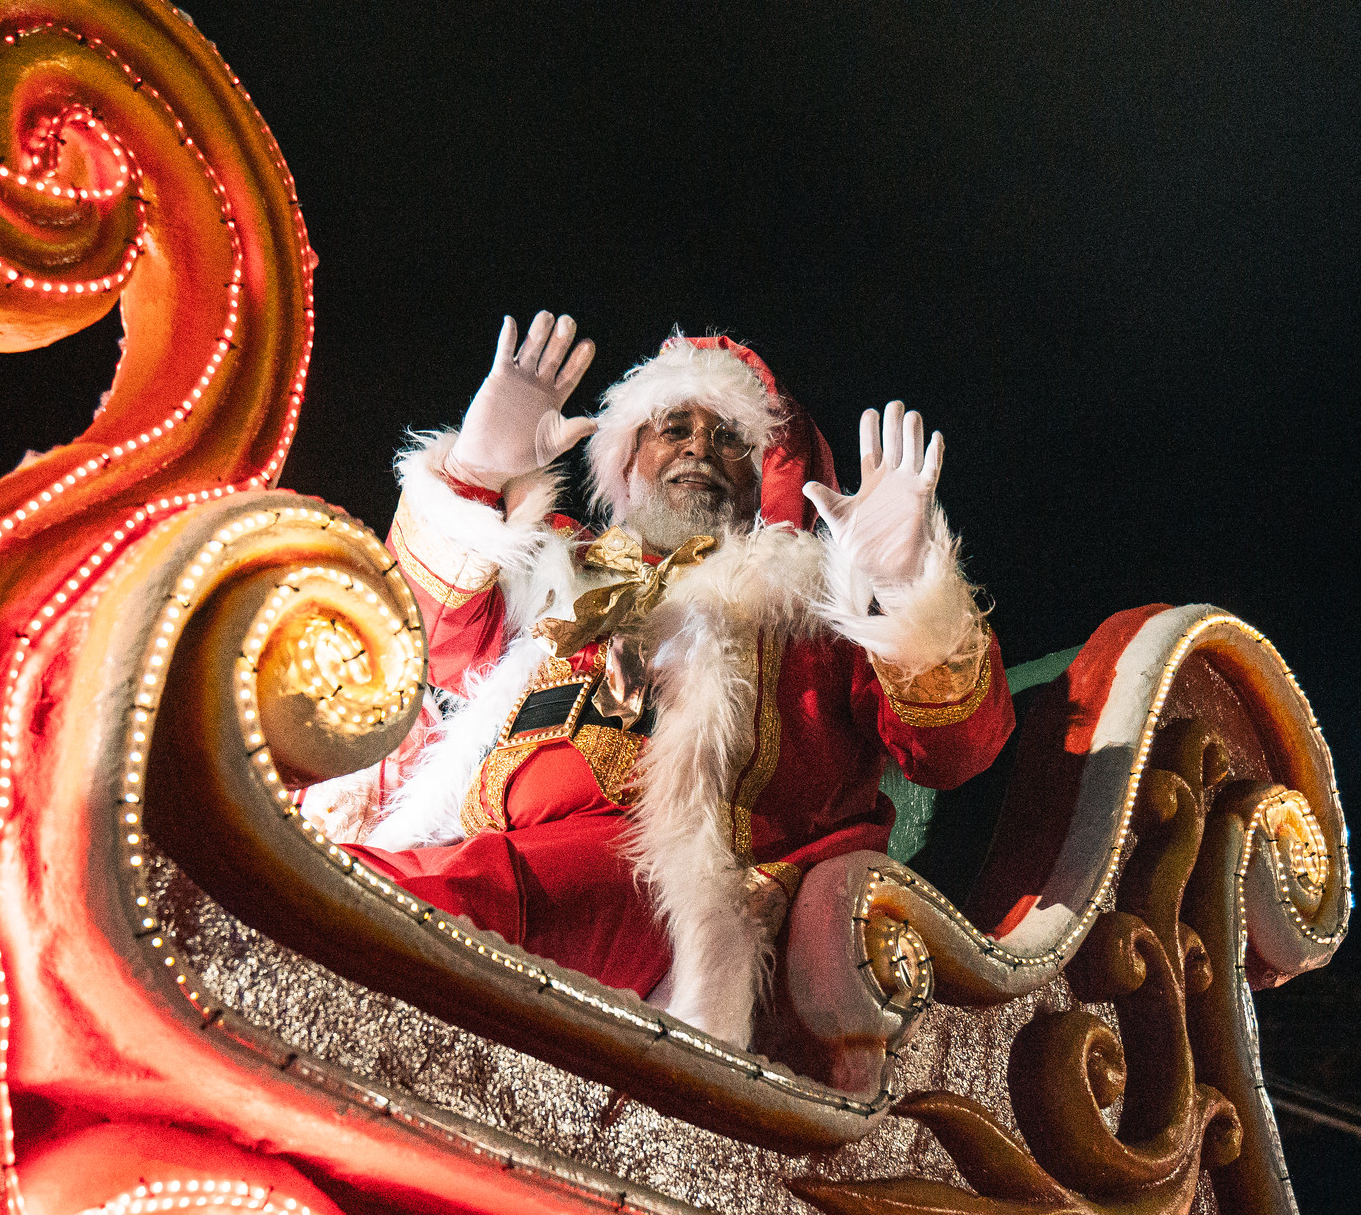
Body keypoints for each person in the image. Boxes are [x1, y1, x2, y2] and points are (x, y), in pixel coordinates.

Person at [305, 313, 1014, 1048]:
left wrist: (905, 591)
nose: (698, 448)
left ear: (770, 469)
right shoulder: (559, 566)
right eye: (673, 426)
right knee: (348, 865)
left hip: (667, 886)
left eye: (730, 436)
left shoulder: (810, 612)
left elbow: (957, 751)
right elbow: (426, 633)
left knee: (412, 900)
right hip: (475, 843)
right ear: (629, 456)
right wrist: (474, 479)